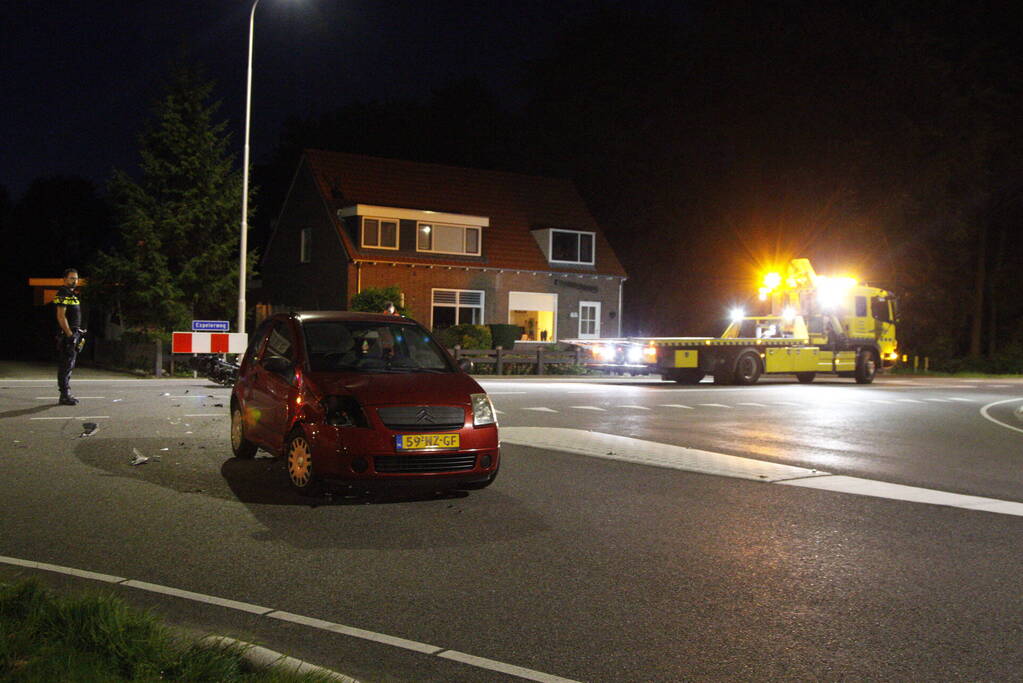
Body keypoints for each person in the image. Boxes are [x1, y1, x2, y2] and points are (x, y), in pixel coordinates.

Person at [54, 268, 85, 405]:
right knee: (66, 365)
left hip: (75, 333)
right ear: (64, 279)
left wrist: (79, 331)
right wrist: (69, 335)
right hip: (68, 335)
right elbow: (61, 316)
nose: (74, 281)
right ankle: (64, 395)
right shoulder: (62, 293)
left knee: (70, 365)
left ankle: (66, 394)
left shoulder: (72, 294)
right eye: (72, 278)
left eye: (76, 278)